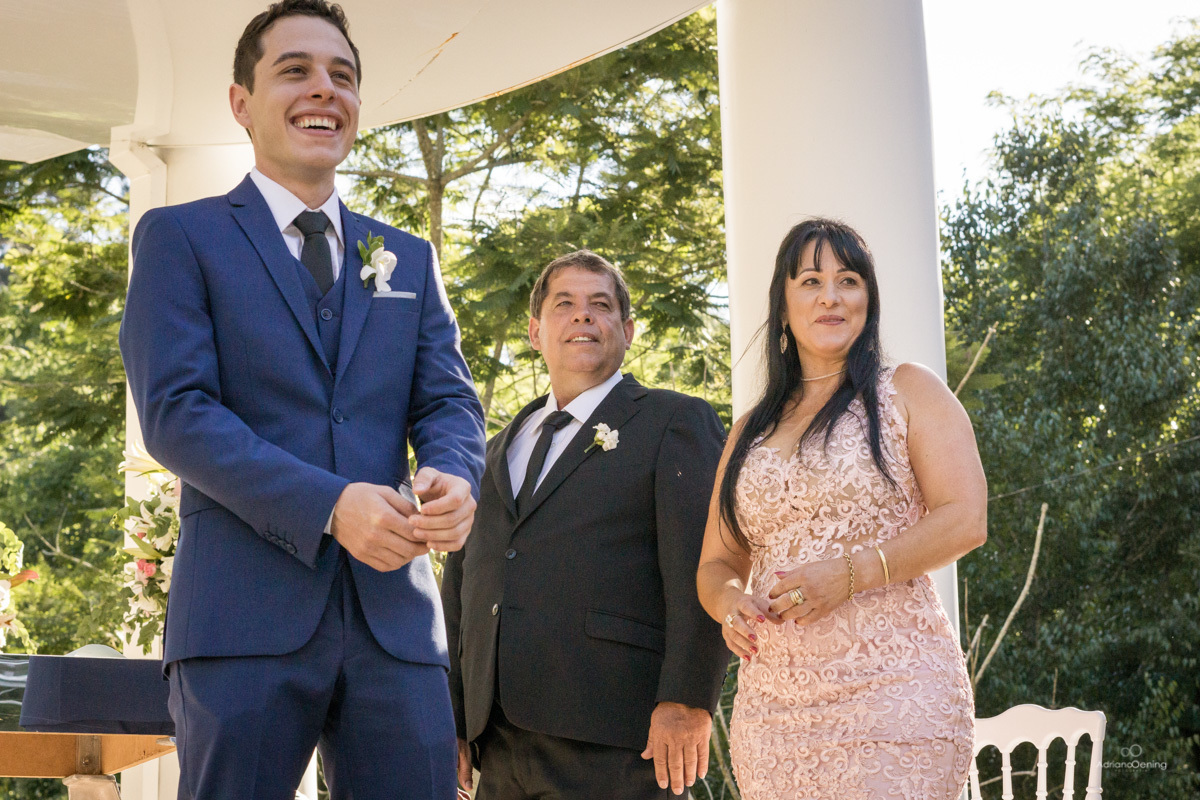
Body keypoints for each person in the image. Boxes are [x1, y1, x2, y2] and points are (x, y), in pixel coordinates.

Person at [118, 1, 485, 797]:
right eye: (295, 70)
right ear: (241, 104)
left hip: (396, 625)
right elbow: (176, 413)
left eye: (342, 76)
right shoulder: (181, 238)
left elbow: (449, 403)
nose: (325, 89)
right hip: (242, 624)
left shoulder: (407, 259)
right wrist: (330, 505)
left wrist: (457, 474)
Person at [696, 218, 985, 800]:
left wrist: (851, 574)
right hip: (773, 713)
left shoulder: (908, 390)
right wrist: (730, 604)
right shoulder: (750, 429)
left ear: (868, 302)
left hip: (896, 693)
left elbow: (965, 518)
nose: (831, 295)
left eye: (848, 280)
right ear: (782, 305)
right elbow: (716, 563)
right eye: (810, 280)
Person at [441, 251, 730, 799]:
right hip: (497, 743)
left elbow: (704, 565)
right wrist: (453, 718)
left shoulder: (674, 422)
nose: (583, 317)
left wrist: (688, 699)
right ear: (535, 330)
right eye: (564, 305)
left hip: (618, 737)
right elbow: (460, 589)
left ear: (627, 330)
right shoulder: (490, 451)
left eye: (600, 305)